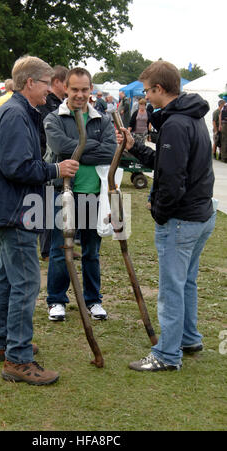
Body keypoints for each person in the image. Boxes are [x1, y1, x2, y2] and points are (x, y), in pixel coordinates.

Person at [0, 55, 79, 386]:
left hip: (7, 209)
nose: (51, 89)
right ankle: (18, 358)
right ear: (30, 83)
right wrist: (55, 170)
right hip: (17, 212)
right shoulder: (15, 114)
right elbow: (17, 167)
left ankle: (2, 343)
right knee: (26, 283)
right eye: (47, 83)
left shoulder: (7, 110)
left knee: (6, 278)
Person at [118, 60, 216, 372]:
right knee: (185, 281)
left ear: (159, 89)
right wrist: (136, 147)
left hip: (183, 219)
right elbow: (168, 162)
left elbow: (173, 179)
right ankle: (188, 338)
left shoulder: (175, 123)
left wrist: (159, 210)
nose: (146, 96)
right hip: (201, 215)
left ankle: (167, 355)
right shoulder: (191, 116)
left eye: (147, 90)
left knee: (172, 287)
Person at [43, 67, 117, 322]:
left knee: (91, 251)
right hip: (62, 192)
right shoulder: (54, 118)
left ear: (91, 89)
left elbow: (111, 151)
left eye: (85, 89)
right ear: (66, 88)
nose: (80, 94)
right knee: (60, 248)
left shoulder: (102, 119)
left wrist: (80, 150)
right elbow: (60, 147)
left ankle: (93, 300)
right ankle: (56, 300)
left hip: (94, 194)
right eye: (75, 89)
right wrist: (89, 148)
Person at [37, 65, 68, 262]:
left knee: (58, 205)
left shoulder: (58, 103)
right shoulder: (46, 104)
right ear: (57, 82)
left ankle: (60, 245)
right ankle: (47, 249)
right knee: (47, 205)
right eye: (67, 84)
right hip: (44, 158)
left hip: (53, 160)